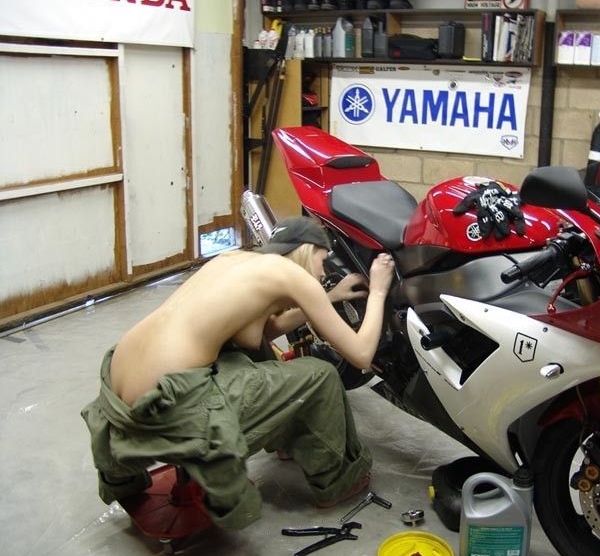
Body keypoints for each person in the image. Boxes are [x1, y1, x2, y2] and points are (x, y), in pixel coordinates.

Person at [81, 216, 395, 529]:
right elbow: (362, 355)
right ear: (306, 250)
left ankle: (288, 436)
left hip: (118, 392)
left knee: (254, 354)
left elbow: (258, 334)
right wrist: (378, 290)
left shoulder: (232, 260)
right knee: (320, 375)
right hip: (169, 407)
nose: (323, 273)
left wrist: (329, 297)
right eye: (322, 261)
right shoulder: (293, 276)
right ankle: (339, 481)